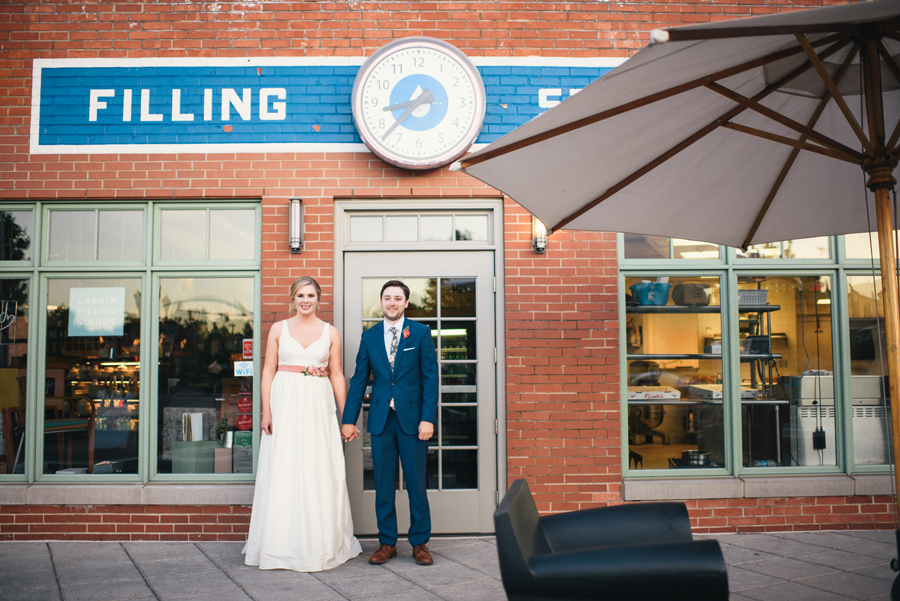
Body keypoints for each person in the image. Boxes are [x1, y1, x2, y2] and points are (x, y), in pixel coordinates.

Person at [243, 276, 362, 571]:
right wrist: (266, 412)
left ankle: (320, 542)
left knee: (318, 465)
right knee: (284, 465)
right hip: (285, 404)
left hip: (318, 405)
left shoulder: (330, 332)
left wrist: (347, 417)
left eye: (310, 295)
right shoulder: (278, 329)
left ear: (319, 299)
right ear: (293, 298)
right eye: (300, 295)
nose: (305, 300)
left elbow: (336, 374)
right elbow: (268, 371)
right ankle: (280, 543)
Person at [341, 280, 439, 566]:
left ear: (406, 302)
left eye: (398, 298)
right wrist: (349, 420)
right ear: (381, 302)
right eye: (387, 298)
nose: (392, 303)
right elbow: (360, 380)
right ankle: (387, 543)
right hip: (382, 421)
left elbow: (430, 378)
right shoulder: (369, 337)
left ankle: (420, 543)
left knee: (416, 485)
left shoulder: (420, 333)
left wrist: (427, 418)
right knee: (383, 484)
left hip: (413, 422)